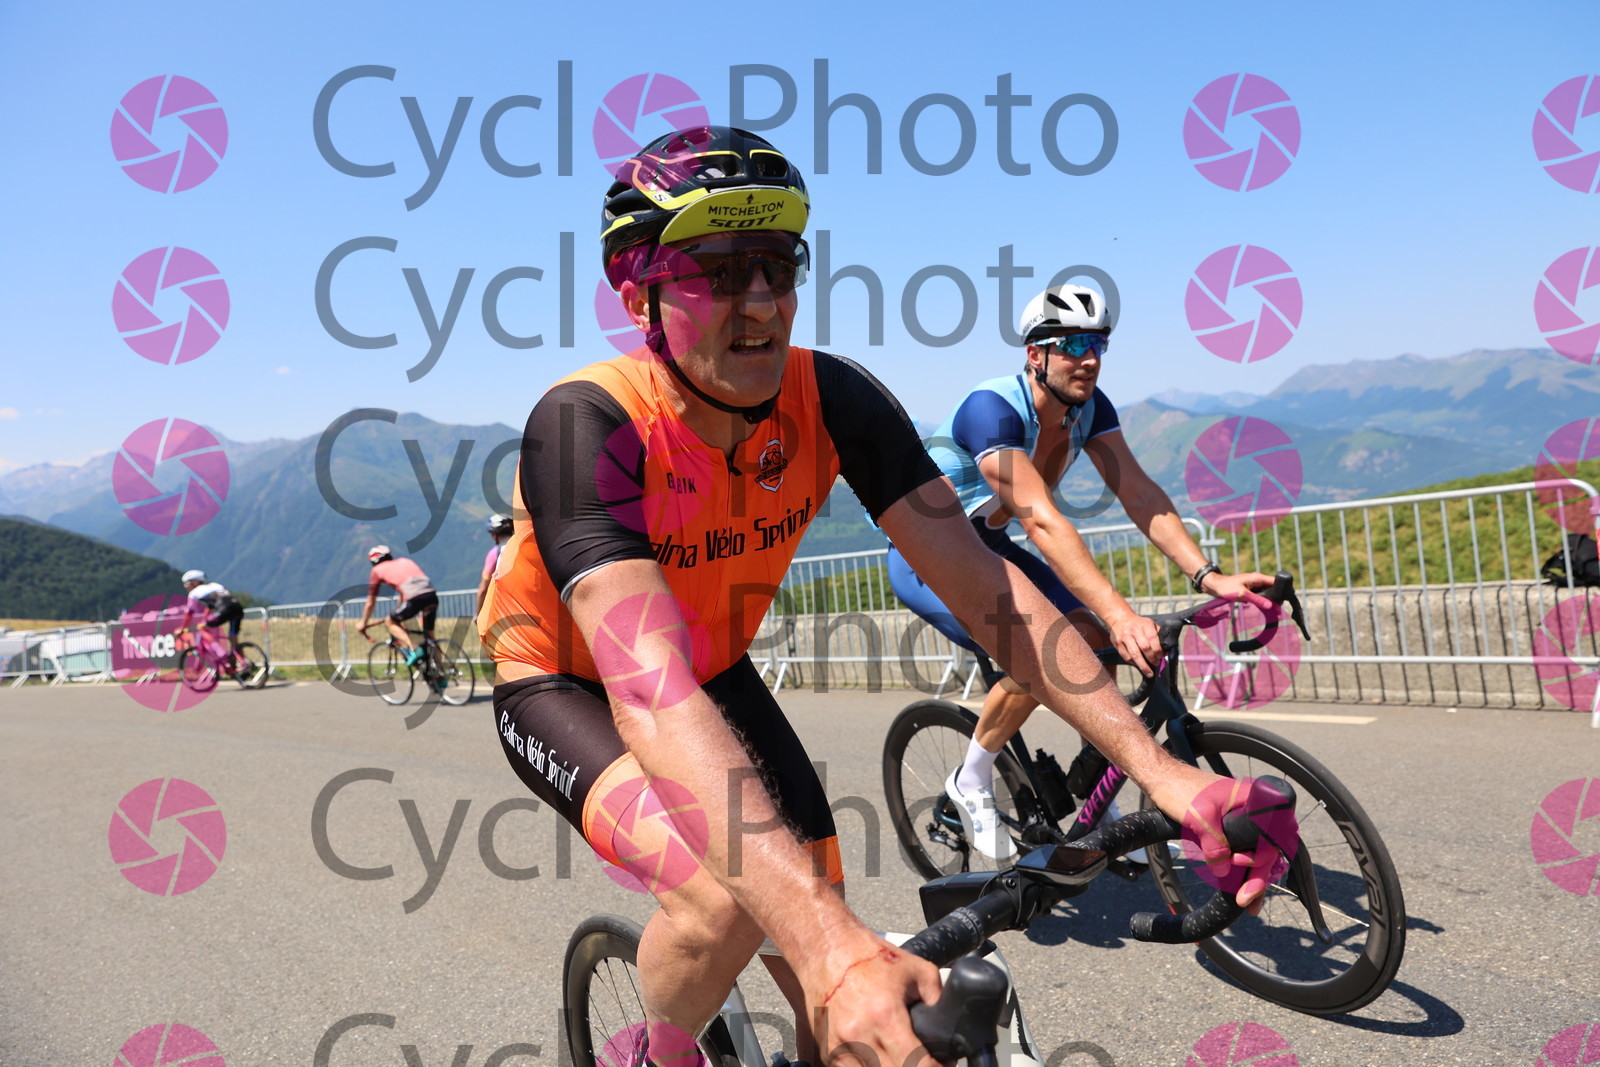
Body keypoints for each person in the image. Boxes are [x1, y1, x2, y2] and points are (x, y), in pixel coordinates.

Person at [478, 126, 1285, 1067]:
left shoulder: (833, 398)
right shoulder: (585, 424)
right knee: (729, 901)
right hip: (569, 682)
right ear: (638, 295)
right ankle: (650, 1055)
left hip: (716, 667)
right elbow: (650, 687)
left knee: (822, 915)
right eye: (718, 269)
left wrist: (1166, 773)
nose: (761, 301)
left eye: (778, 264)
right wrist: (830, 946)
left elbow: (989, 589)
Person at [886, 284, 1276, 860]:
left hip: (989, 545)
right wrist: (1121, 615)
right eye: (1071, 344)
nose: (1088, 358)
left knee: (1088, 641)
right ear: (1035, 355)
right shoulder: (991, 410)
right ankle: (970, 779)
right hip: (927, 556)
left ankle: (1098, 793)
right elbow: (1041, 520)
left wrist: (1209, 576)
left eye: (1098, 345)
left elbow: (1140, 493)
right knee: (1044, 651)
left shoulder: (1090, 410)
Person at [358, 546, 437, 667]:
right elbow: (403, 592)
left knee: (390, 621)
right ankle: (441, 671)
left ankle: (414, 648)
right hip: (431, 595)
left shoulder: (376, 570)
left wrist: (363, 623)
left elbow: (370, 602)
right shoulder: (404, 561)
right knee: (430, 637)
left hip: (413, 598)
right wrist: (398, 609)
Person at [181, 569, 245, 670]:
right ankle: (243, 664)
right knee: (233, 641)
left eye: (186, 583)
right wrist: (204, 620)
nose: (185, 586)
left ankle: (221, 653)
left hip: (224, 610)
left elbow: (189, 614)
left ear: (195, 582)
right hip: (238, 608)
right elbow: (210, 607)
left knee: (201, 629)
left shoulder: (193, 593)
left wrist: (182, 628)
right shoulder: (215, 585)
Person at [476, 513, 514, 615]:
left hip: (506, 608)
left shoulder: (495, 553)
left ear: (495, 534)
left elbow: (483, 589)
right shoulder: (524, 545)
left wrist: (478, 615)